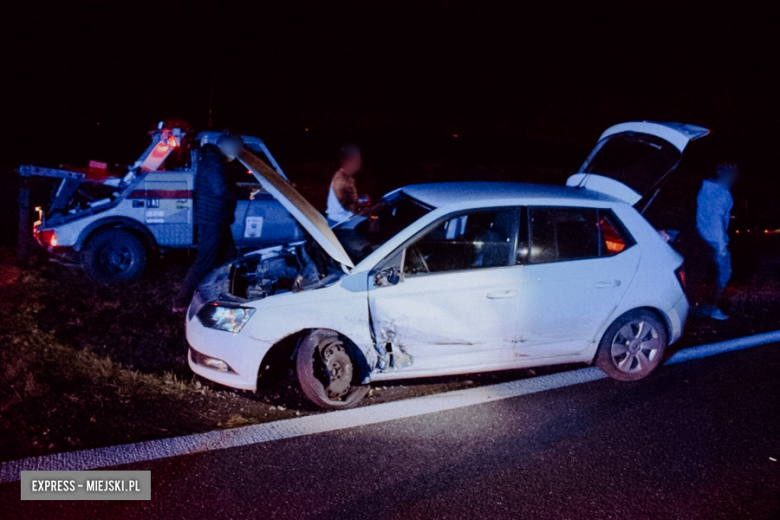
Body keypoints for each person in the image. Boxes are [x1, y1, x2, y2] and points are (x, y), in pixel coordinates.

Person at [173, 131, 243, 311]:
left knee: (228, 257)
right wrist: (242, 193)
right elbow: (220, 190)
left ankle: (222, 292)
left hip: (217, 218)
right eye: (236, 147)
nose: (238, 152)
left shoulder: (215, 160)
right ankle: (181, 301)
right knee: (205, 259)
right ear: (227, 146)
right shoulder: (213, 161)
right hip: (211, 219)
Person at [694, 162, 738, 320]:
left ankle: (704, 307)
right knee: (723, 273)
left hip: (703, 238)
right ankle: (709, 308)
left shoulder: (707, 190)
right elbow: (715, 220)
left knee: (707, 274)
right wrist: (721, 247)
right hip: (714, 241)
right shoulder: (720, 193)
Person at [326, 144, 364, 225]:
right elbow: (350, 206)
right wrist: (371, 207)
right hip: (339, 223)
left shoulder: (347, 177)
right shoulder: (341, 179)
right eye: (357, 158)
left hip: (343, 221)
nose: (360, 161)